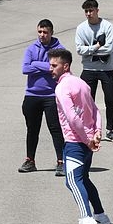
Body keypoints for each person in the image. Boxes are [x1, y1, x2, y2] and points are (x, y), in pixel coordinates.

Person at [47, 48, 111, 224]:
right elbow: (96, 110)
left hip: (76, 142)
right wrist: (97, 132)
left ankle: (86, 219)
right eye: (50, 65)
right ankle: (101, 216)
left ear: (65, 66)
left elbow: (73, 118)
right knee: (83, 178)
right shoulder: (81, 83)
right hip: (87, 140)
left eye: (54, 65)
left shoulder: (62, 87)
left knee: (72, 181)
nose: (50, 69)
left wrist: (87, 140)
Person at [19, 19, 66, 176]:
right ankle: (30, 161)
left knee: (55, 129)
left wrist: (36, 65)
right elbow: (26, 68)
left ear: (52, 32)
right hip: (32, 95)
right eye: (40, 31)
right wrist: (46, 66)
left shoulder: (59, 49)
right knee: (32, 129)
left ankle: (61, 162)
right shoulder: (31, 48)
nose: (42, 35)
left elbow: (59, 68)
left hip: (52, 96)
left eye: (45, 32)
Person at [74, 0, 113, 142]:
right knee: (86, 101)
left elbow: (109, 48)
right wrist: (96, 47)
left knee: (110, 101)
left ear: (97, 11)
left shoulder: (107, 26)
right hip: (88, 69)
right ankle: (89, 129)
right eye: (86, 11)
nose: (88, 14)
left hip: (107, 70)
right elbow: (79, 49)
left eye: (91, 10)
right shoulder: (81, 28)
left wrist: (90, 52)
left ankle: (109, 130)